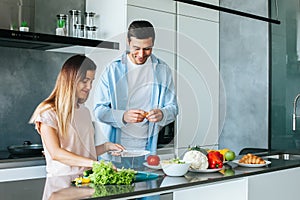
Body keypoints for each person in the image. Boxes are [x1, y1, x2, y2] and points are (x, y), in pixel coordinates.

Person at [93, 20, 178, 169]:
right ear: (128, 42)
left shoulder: (162, 70)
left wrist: (162, 114)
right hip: (116, 152)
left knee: (149, 190)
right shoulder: (112, 70)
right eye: (136, 48)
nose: (141, 54)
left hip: (147, 152)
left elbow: (173, 107)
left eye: (147, 49)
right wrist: (123, 116)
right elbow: (99, 111)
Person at [29, 55, 124, 177]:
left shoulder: (84, 112)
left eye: (91, 81)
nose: (89, 87)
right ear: (71, 79)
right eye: (85, 81)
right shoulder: (48, 112)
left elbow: (83, 154)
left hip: (87, 182)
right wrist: (95, 164)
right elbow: (55, 153)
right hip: (61, 184)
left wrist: (106, 147)